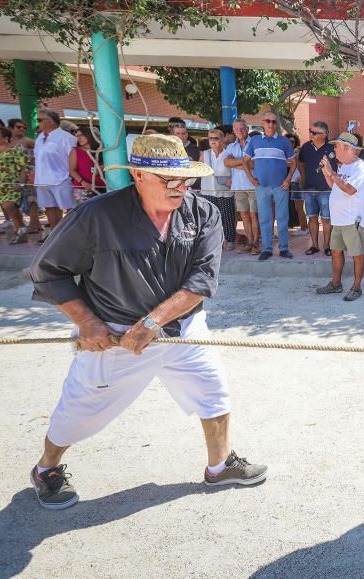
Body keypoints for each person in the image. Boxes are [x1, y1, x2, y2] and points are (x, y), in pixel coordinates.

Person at [27, 133, 267, 510]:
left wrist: (153, 323)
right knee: (79, 411)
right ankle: (46, 469)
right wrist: (87, 322)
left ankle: (219, 466)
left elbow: (202, 280)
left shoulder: (202, 212)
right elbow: (47, 272)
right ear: (138, 175)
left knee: (213, 392)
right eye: (169, 180)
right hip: (114, 336)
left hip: (182, 330)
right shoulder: (96, 216)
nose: (180, 188)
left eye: (185, 179)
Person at [316, 132, 364, 302]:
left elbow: (350, 190)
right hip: (339, 219)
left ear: (347, 148)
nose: (334, 149)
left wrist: (332, 173)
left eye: (336, 146)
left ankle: (356, 287)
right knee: (336, 252)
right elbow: (335, 187)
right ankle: (336, 283)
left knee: (356, 254)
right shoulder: (344, 166)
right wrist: (327, 173)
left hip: (353, 219)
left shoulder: (360, 167)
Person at [243, 111, 296, 261]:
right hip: (262, 187)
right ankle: (267, 249)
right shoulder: (254, 141)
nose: (271, 124)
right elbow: (245, 161)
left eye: (273, 121)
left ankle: (284, 248)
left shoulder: (284, 141)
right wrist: (251, 179)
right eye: (268, 121)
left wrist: (288, 179)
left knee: (283, 218)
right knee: (265, 219)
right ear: (262, 123)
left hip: (281, 187)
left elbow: (293, 162)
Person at [33, 109, 77, 244]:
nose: (37, 123)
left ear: (51, 121)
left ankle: (73, 235)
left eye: (39, 120)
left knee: (70, 208)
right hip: (42, 180)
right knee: (49, 208)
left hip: (62, 179)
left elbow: (74, 158)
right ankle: (55, 235)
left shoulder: (66, 137)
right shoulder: (40, 138)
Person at [220, 119, 260, 254]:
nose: (240, 131)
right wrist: (245, 162)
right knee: (244, 216)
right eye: (237, 129)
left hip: (253, 185)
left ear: (247, 129)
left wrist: (236, 163)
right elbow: (226, 162)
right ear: (233, 131)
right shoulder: (232, 146)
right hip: (238, 186)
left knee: (254, 216)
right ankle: (249, 242)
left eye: (242, 128)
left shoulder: (255, 144)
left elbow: (256, 164)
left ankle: (255, 243)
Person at [297, 121, 336, 256]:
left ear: (324, 135)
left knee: (326, 219)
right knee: (312, 218)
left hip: (326, 190)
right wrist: (303, 177)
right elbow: (300, 161)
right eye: (310, 131)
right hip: (309, 189)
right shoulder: (306, 147)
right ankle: (314, 245)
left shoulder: (332, 148)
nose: (311, 134)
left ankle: (327, 246)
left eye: (314, 132)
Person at [0, 127, 30, 244]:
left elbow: (24, 168)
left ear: (6, 138)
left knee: (8, 206)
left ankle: (21, 229)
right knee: (10, 209)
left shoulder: (15, 151)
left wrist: (21, 184)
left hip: (12, 185)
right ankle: (20, 231)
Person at [200, 128, 237, 251]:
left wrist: (232, 182)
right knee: (209, 219)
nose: (213, 141)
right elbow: (198, 170)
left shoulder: (228, 154)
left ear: (222, 140)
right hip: (208, 191)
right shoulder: (204, 154)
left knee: (228, 218)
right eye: (210, 138)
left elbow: (235, 172)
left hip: (224, 191)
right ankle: (212, 242)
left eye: (216, 138)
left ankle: (230, 241)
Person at [9, 120, 41, 234]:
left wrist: (33, 160)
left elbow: (41, 150)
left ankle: (33, 224)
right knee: (18, 201)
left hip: (29, 172)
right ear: (11, 128)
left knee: (32, 199)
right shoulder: (9, 142)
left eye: (24, 127)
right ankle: (34, 224)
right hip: (14, 175)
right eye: (19, 127)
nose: (22, 129)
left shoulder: (28, 140)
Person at [68, 126, 107, 202]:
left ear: (89, 135)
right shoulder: (76, 151)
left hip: (101, 186)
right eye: (77, 136)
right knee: (85, 212)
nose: (79, 138)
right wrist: (82, 182)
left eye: (81, 135)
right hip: (83, 188)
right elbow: (71, 170)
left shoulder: (100, 150)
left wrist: (102, 167)